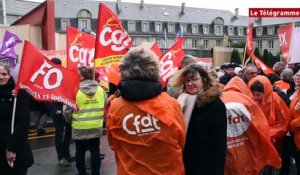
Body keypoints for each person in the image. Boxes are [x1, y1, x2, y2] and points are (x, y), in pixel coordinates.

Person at [106, 46, 186, 174]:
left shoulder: (115, 107)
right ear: (155, 71)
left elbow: (113, 144)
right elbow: (182, 141)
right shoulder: (172, 104)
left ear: (123, 72)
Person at [172, 64, 227, 175]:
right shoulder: (182, 101)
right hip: (186, 161)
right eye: (187, 80)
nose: (190, 83)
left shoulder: (215, 104)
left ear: (204, 80)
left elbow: (219, 144)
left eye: (194, 79)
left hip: (206, 164)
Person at [64, 65, 106, 175]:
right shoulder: (100, 90)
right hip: (96, 126)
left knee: (80, 151)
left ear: (81, 75)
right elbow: (105, 104)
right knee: (95, 150)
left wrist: (69, 121)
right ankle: (95, 173)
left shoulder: (74, 90)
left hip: (79, 126)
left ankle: (82, 173)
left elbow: (67, 110)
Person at [0, 63, 34, 174]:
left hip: (15, 150)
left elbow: (23, 124)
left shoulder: (19, 93)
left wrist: (11, 148)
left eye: (4, 74)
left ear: (9, 75)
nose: (1, 77)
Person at [46, 58, 72, 167]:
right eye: (59, 65)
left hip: (65, 107)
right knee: (60, 132)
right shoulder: (48, 77)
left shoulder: (61, 75)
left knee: (69, 131)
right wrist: (54, 110)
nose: (61, 67)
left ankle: (66, 154)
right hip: (56, 109)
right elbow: (46, 96)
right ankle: (61, 157)